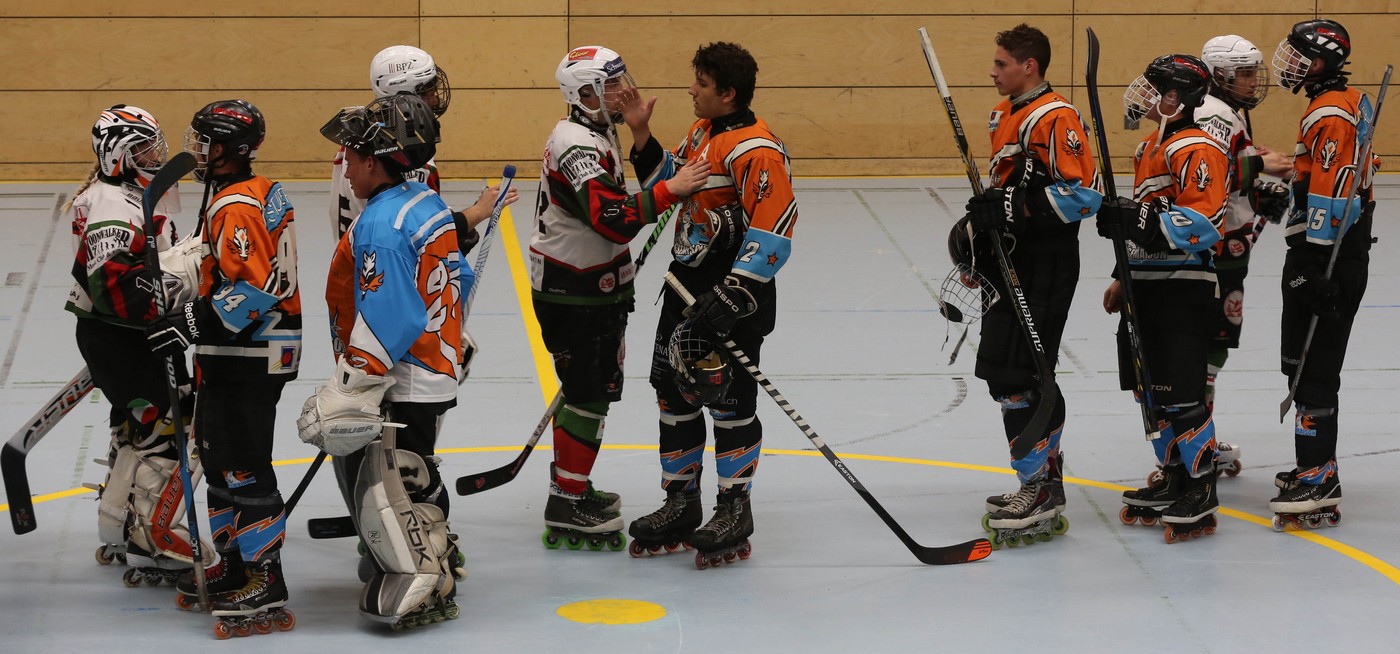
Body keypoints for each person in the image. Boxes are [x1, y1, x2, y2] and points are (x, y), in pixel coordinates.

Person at [530, 45, 710, 551]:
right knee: (589, 394)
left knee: (588, 390)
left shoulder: (595, 130)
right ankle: (567, 501)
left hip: (592, 286)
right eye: (609, 85)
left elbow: (640, 192)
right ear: (583, 93)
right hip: (575, 291)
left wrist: (640, 132)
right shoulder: (575, 146)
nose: (620, 91)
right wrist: (672, 190)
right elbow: (614, 218)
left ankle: (571, 485)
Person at [625, 41, 796, 567]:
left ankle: (734, 508)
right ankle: (681, 503)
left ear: (728, 93)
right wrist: (641, 136)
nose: (691, 91)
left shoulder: (756, 149)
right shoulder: (703, 131)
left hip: (730, 300)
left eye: (701, 84)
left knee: (729, 401)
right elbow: (670, 186)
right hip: (684, 288)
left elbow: (775, 229)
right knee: (672, 393)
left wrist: (730, 296)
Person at [302, 93, 464, 627]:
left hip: (401, 376)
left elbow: (391, 315)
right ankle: (438, 559)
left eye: (350, 157)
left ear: (374, 161)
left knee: (388, 478)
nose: (345, 168)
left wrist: (351, 384)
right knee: (415, 471)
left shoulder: (381, 224)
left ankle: (421, 576)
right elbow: (456, 278)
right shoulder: (424, 200)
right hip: (432, 368)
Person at [144, 99, 301, 630]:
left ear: (230, 149)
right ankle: (234, 563)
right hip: (237, 350)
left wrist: (187, 321)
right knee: (218, 460)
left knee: (243, 465)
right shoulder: (252, 189)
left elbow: (255, 287)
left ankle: (266, 576)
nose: (197, 150)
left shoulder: (235, 204)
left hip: (250, 352)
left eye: (205, 141)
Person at [960, 24, 1102, 548]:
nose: (992, 72)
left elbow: (1083, 195)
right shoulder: (1004, 114)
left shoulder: (1055, 116)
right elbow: (1004, 193)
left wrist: (1013, 207)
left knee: (1023, 373)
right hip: (1011, 259)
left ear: (1030, 66)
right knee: (1006, 372)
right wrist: (982, 237)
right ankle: (1041, 480)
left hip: (1045, 261)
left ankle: (1038, 486)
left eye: (1001, 63)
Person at [65, 104, 207, 585]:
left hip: (122, 338)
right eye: (144, 148)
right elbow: (115, 289)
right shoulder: (112, 206)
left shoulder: (120, 194)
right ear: (118, 154)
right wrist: (183, 286)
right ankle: (153, 539)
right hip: (125, 338)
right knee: (168, 428)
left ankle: (121, 524)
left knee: (137, 431)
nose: (155, 155)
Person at [327, 44, 517, 382]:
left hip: (368, 279)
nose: (435, 96)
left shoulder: (363, 138)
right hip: (387, 288)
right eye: (426, 89)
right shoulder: (398, 156)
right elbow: (416, 228)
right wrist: (476, 213)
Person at [1098, 55, 1229, 544]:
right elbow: (1146, 221)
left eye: (1154, 87)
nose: (1143, 93)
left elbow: (1206, 221)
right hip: (1146, 285)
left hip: (1182, 286)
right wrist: (1123, 273)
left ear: (1176, 97)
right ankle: (1174, 475)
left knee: (1182, 392)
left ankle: (1201, 485)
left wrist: (1138, 221)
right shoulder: (1150, 146)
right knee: (1150, 390)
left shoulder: (1197, 147)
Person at [1268, 19, 1377, 530]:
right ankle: (1312, 464)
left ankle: (1320, 476)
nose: (1288, 62)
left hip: (1328, 255)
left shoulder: (1330, 112)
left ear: (1319, 61)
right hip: (1329, 250)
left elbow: (1335, 193)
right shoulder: (1343, 102)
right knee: (1301, 364)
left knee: (1314, 368)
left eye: (1297, 54)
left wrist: (1313, 263)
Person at [1195, 35, 1295, 476]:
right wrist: (1260, 166)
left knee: (1216, 349)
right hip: (1214, 251)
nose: (1255, 81)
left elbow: (1231, 165)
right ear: (1220, 75)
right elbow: (1206, 172)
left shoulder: (1229, 110)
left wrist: (1256, 188)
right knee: (1204, 350)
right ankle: (1191, 444)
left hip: (1231, 247)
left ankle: (1200, 438)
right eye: (1246, 73)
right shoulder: (1212, 112)